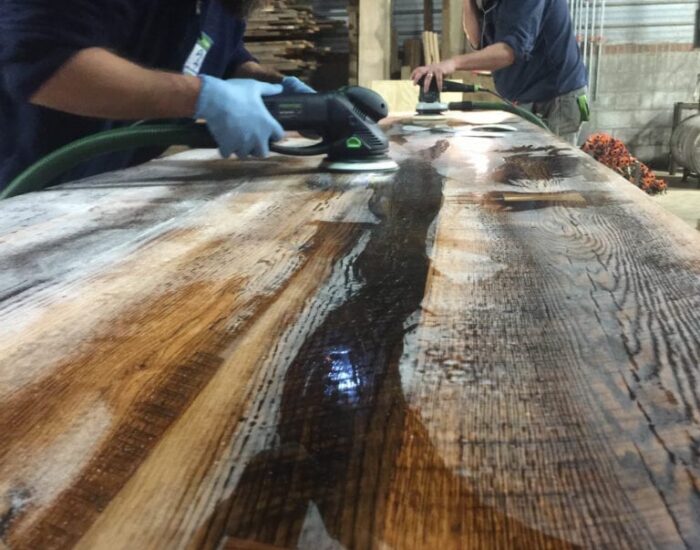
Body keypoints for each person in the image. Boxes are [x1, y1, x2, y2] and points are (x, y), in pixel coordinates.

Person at [0, 0, 314, 190]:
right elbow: (43, 65)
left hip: (79, 196)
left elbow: (219, 51)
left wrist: (274, 86)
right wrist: (202, 97)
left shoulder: (224, 6)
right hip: (15, 192)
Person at [412, 0, 589, 144]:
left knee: (553, 178)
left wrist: (452, 63)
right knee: (523, 172)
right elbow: (477, 42)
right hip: (524, 97)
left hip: (556, 99)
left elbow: (510, 51)